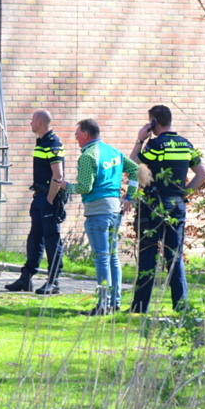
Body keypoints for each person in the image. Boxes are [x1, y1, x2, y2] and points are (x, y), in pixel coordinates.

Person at [128, 105, 205, 313]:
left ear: (154, 122)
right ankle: (181, 307)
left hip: (154, 206)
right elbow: (202, 175)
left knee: (148, 255)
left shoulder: (156, 145)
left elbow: (134, 165)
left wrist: (139, 140)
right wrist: (183, 194)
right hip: (176, 206)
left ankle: (139, 308)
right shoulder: (186, 145)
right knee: (175, 257)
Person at [59, 119, 139, 316]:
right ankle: (115, 302)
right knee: (112, 257)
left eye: (77, 134)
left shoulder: (88, 156)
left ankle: (103, 304)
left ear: (86, 134)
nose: (76, 138)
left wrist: (66, 186)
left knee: (102, 259)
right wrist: (131, 197)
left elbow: (85, 187)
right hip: (114, 209)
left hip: (97, 211)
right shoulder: (113, 152)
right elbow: (136, 169)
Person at [4, 109, 68, 294]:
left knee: (51, 239)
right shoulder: (41, 142)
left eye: (32, 121)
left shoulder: (53, 143)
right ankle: (26, 278)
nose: (30, 124)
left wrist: (49, 198)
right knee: (35, 238)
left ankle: (53, 281)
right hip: (39, 196)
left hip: (49, 197)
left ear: (39, 123)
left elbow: (58, 174)